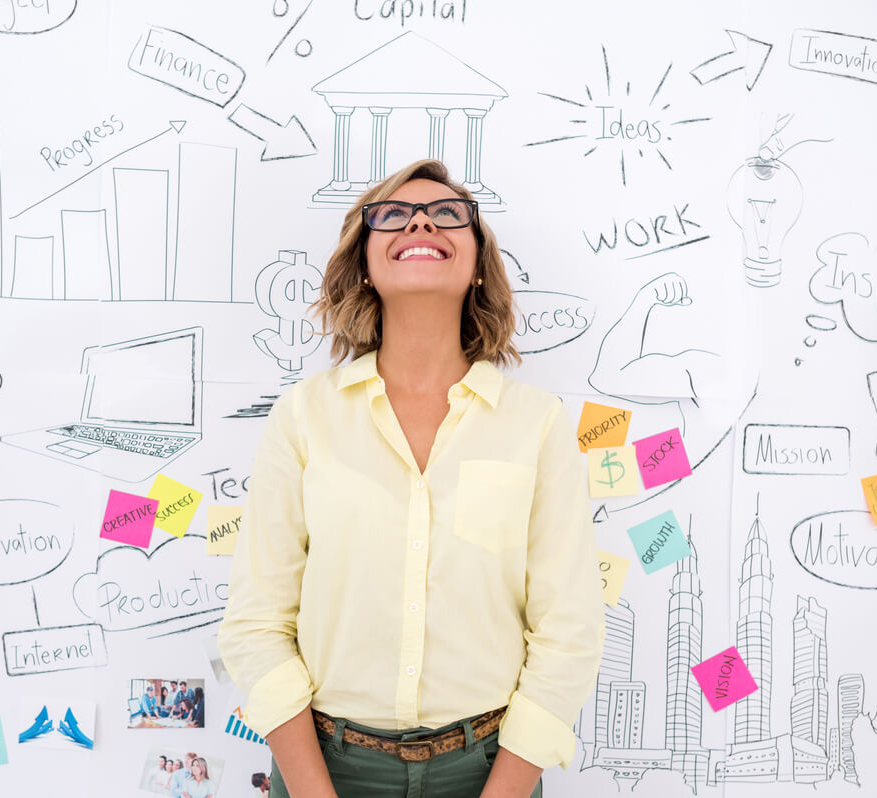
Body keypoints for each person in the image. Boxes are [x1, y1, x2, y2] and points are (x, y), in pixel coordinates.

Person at [218, 158, 603, 798]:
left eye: (448, 214)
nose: (420, 221)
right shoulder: (304, 416)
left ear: (477, 262)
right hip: (327, 767)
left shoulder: (536, 425)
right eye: (392, 215)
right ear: (365, 263)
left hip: (486, 770)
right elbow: (256, 623)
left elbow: (569, 632)